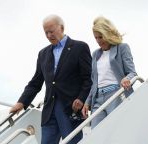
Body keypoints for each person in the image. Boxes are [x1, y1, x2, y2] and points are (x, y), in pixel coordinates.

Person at [9, 14, 92, 144]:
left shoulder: (80, 48)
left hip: (70, 109)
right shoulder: (43, 54)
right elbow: (35, 83)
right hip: (49, 111)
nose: (48, 35)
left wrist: (81, 99)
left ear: (62, 28)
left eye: (51, 31)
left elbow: (88, 79)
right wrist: (22, 102)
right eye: (46, 32)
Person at [82, 16, 137, 128]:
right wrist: (87, 102)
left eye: (100, 37)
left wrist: (127, 79)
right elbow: (94, 83)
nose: (98, 41)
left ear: (107, 34)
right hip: (97, 99)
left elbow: (132, 73)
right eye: (96, 38)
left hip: (116, 95)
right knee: (97, 133)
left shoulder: (122, 48)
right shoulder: (95, 54)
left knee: (116, 130)